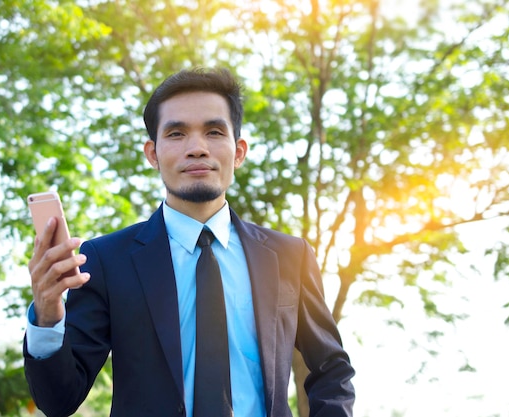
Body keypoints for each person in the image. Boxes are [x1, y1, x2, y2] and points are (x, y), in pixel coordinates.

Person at [23, 67, 355, 417]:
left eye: (213, 132)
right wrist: (47, 316)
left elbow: (330, 368)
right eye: (177, 133)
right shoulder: (106, 260)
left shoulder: (290, 256)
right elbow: (59, 401)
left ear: (238, 151)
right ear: (152, 153)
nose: (197, 149)